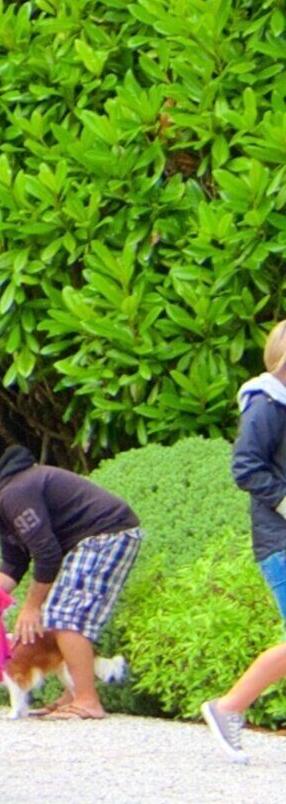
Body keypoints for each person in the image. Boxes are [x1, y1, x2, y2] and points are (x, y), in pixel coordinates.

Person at [0, 450, 142, 719]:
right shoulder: (4, 503)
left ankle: (87, 702)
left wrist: (31, 607)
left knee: (64, 617)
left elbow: (47, 553)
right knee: (56, 615)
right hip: (88, 541)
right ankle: (72, 696)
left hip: (106, 534)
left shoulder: (13, 494)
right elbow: (13, 563)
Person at [199, 319, 286, 760]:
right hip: (281, 543)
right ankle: (228, 706)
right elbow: (246, 467)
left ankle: (228, 707)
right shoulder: (266, 404)